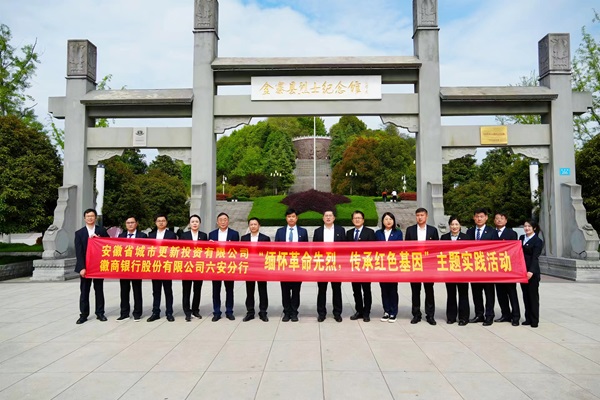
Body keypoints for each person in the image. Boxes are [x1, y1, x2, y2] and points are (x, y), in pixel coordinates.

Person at [74, 208, 109, 324]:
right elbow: (79, 252)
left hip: (98, 266)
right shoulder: (79, 233)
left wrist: (100, 240)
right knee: (84, 291)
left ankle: (100, 313)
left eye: (92, 216)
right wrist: (82, 267)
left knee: (99, 290)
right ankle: (83, 315)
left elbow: (109, 244)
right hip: (86, 267)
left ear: (95, 218)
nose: (90, 218)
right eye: (88, 216)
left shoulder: (101, 231)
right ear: (84, 218)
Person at [405, 207, 439, 325]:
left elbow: (437, 248)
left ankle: (430, 315)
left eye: (422, 215)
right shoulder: (410, 230)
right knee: (415, 291)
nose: (420, 217)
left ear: (426, 216)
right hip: (415, 264)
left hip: (428, 265)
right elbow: (406, 248)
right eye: (418, 215)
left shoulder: (433, 230)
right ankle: (416, 314)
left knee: (429, 290)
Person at [466, 208, 499, 326]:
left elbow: (497, 249)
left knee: (489, 293)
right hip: (474, 267)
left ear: (486, 218)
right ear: (474, 218)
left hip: (488, 268)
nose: (479, 219)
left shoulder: (492, 232)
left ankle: (489, 315)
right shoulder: (469, 232)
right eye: (477, 216)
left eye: (481, 216)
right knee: (476, 292)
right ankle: (479, 314)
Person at [275, 208, 308, 322]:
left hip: (297, 265)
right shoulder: (280, 231)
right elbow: (276, 249)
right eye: (289, 217)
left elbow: (306, 250)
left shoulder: (303, 231)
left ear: (296, 218)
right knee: (285, 290)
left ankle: (294, 312)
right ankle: (286, 312)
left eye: (293, 216)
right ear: (286, 218)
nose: (291, 219)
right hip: (284, 265)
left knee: (296, 290)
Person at [313, 209, 345, 322]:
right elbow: (314, 249)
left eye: (330, 216)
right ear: (323, 218)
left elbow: (344, 248)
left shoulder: (340, 230)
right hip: (322, 264)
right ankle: (321, 313)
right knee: (322, 290)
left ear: (334, 218)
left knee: (336, 289)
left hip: (336, 264)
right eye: (326, 216)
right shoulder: (318, 231)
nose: (328, 217)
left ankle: (337, 313)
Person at [346, 210, 377, 322]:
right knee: (356, 290)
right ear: (352, 220)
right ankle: (359, 310)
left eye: (359, 218)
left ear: (363, 220)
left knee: (366, 290)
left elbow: (373, 249)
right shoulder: (349, 233)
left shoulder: (370, 232)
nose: (357, 220)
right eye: (355, 218)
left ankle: (366, 312)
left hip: (365, 266)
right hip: (354, 266)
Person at [209, 212, 240, 321]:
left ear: (228, 221)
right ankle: (216, 312)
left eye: (225, 219)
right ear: (217, 222)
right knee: (216, 290)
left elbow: (238, 250)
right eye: (220, 220)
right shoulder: (211, 234)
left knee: (229, 290)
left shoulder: (234, 234)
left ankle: (229, 311)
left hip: (229, 265)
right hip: (216, 266)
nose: (223, 222)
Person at [147, 214, 178, 322]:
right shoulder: (151, 235)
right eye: (159, 221)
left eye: (163, 220)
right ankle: (155, 312)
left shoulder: (171, 235)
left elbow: (174, 250)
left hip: (166, 266)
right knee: (156, 291)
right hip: (155, 266)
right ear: (155, 222)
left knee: (168, 290)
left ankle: (169, 312)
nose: (161, 222)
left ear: (166, 222)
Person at [116, 215, 147, 321]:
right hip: (124, 267)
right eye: (128, 223)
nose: (130, 224)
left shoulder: (142, 236)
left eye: (132, 222)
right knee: (124, 291)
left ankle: (137, 313)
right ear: (125, 224)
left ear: (136, 223)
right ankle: (124, 313)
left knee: (137, 291)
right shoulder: (121, 236)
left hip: (136, 267)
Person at [440, 216, 469, 326]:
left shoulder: (466, 237)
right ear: (449, 226)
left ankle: (463, 318)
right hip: (449, 270)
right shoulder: (444, 237)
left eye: (456, 224)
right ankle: (451, 317)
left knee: (463, 294)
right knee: (451, 294)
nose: (454, 226)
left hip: (463, 271)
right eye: (452, 224)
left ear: (460, 225)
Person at [241, 217, 271, 322]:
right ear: (249, 226)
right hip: (249, 268)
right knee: (249, 291)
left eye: (255, 224)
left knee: (262, 291)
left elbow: (268, 253)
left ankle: (263, 312)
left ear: (259, 226)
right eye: (251, 224)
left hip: (261, 268)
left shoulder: (265, 238)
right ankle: (250, 312)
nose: (253, 226)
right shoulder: (244, 238)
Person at [494, 212, 521, 326]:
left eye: (502, 218)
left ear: (506, 220)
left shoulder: (511, 233)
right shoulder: (492, 233)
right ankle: (505, 314)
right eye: (497, 218)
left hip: (508, 268)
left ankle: (515, 316)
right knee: (500, 294)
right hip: (496, 268)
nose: (499, 220)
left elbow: (514, 250)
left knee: (512, 293)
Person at [375, 212, 403, 323]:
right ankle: (386, 311)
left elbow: (399, 248)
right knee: (384, 289)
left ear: (393, 221)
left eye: (390, 219)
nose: (388, 221)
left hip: (393, 265)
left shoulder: (398, 233)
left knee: (393, 289)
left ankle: (393, 312)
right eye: (386, 219)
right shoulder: (378, 233)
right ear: (382, 221)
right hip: (381, 264)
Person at [180, 214, 208, 322]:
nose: (195, 223)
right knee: (186, 290)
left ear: (199, 223)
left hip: (199, 266)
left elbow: (206, 250)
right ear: (189, 224)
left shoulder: (204, 236)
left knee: (197, 289)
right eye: (192, 222)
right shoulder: (184, 235)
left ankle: (195, 310)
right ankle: (187, 311)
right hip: (187, 266)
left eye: (197, 221)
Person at [520, 220, 543, 328]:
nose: (527, 228)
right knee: (525, 296)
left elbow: (535, 257)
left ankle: (534, 320)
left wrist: (531, 271)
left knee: (533, 296)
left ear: (534, 228)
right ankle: (528, 318)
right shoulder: (521, 238)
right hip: (522, 271)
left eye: (529, 226)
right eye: (525, 226)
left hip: (532, 272)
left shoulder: (538, 241)